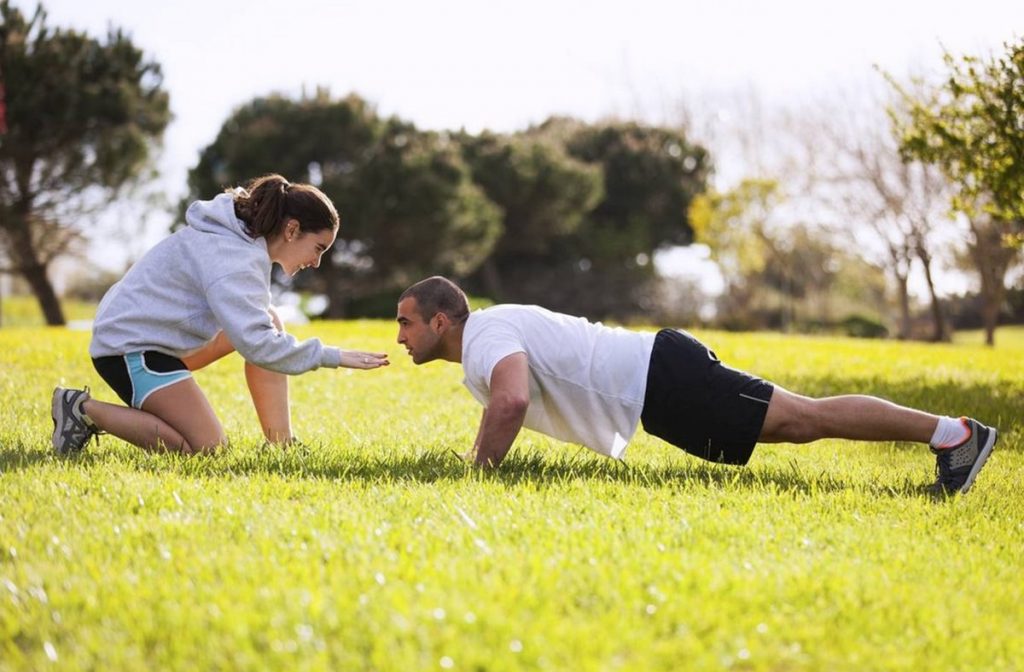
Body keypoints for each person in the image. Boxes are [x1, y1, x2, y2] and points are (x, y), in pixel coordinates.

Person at [395, 276, 998, 494]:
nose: (400, 336)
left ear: (440, 321)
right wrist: (481, 459)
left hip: (662, 377)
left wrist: (479, 476)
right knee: (796, 425)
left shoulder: (486, 334)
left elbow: (513, 399)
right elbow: (508, 400)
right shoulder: (485, 339)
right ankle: (951, 435)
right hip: (657, 385)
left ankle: (954, 435)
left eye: (406, 322)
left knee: (803, 419)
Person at [51, 173, 389, 455]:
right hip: (129, 350)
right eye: (318, 248)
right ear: (291, 229)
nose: (316, 262)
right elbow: (258, 346)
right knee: (207, 449)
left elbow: (258, 333)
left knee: (267, 319)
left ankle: (281, 444)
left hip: (164, 343)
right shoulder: (233, 259)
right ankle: (82, 410)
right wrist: (334, 356)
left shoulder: (242, 244)